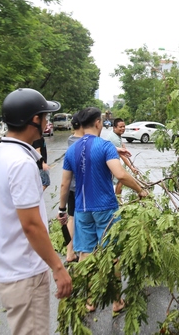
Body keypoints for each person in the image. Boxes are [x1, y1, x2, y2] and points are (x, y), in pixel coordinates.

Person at [0, 88, 72, 334]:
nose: (47, 121)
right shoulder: (21, 163)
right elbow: (31, 225)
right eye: (45, 116)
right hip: (24, 274)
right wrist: (58, 267)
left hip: (7, 271)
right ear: (34, 120)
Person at [57, 107, 148, 314]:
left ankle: (90, 300)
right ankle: (116, 301)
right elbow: (120, 174)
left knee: (86, 254)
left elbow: (65, 184)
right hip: (106, 208)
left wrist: (62, 210)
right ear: (98, 123)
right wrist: (140, 190)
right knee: (112, 254)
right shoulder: (105, 145)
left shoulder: (71, 149)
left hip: (82, 210)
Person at [63, 111, 84, 264]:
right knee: (85, 220)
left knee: (72, 218)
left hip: (71, 187)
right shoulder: (84, 142)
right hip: (82, 187)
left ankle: (69, 252)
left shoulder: (71, 140)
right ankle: (84, 254)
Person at [105, 118, 140, 199]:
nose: (123, 128)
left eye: (124, 126)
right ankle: (118, 200)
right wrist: (131, 168)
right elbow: (122, 156)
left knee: (117, 180)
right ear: (114, 128)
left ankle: (117, 199)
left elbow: (121, 146)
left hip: (110, 161)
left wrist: (123, 146)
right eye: (120, 127)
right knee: (121, 178)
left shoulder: (115, 134)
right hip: (109, 162)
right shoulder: (114, 138)